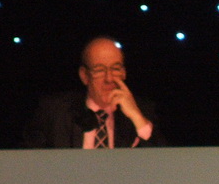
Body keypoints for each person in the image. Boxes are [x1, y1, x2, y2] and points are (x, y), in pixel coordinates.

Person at [23, 36, 163, 148]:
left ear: (124, 73)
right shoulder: (55, 112)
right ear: (84, 75)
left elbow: (162, 161)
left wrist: (137, 117)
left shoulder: (143, 111)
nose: (109, 79)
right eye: (100, 70)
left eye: (115, 69)